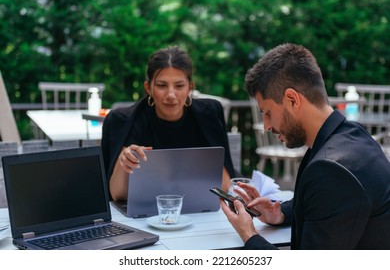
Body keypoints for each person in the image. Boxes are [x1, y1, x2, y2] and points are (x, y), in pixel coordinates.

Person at [220, 43, 390, 249]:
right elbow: (329, 206)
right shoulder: (353, 134)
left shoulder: (331, 169)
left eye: (268, 113)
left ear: (292, 100)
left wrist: (249, 235)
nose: (266, 126)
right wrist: (280, 213)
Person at [101, 46, 236, 201]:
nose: (171, 95)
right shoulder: (124, 120)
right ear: (148, 88)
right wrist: (122, 162)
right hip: (141, 215)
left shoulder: (209, 114)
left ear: (190, 88)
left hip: (199, 210)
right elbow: (117, 194)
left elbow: (224, 186)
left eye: (179, 86)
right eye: (161, 85)